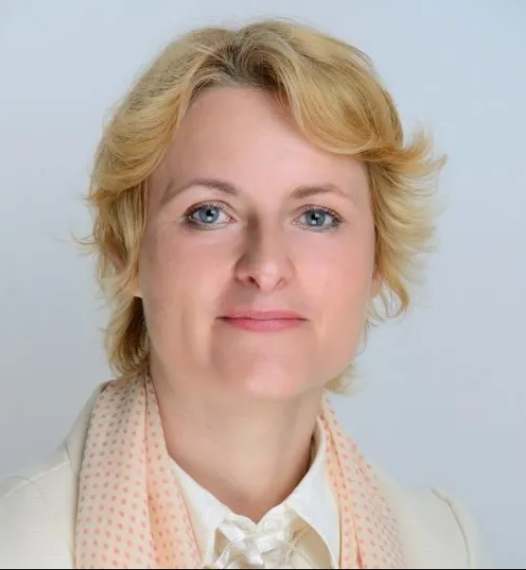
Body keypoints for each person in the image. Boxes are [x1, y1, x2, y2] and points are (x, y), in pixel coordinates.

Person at [0, 17, 491, 569]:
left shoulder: (445, 544)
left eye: (317, 216)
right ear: (128, 255)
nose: (266, 266)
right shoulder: (17, 544)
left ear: (378, 260)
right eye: (210, 213)